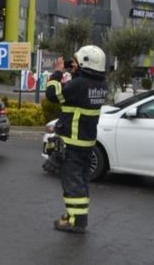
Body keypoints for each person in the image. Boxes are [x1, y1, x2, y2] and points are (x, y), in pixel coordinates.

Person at [45, 45, 108, 234]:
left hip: (72, 144)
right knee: (81, 183)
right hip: (86, 144)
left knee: (72, 184)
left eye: (75, 61)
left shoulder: (79, 85)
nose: (72, 64)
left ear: (84, 63)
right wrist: (73, 73)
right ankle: (77, 216)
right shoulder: (100, 85)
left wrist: (57, 72)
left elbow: (52, 94)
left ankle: (75, 222)